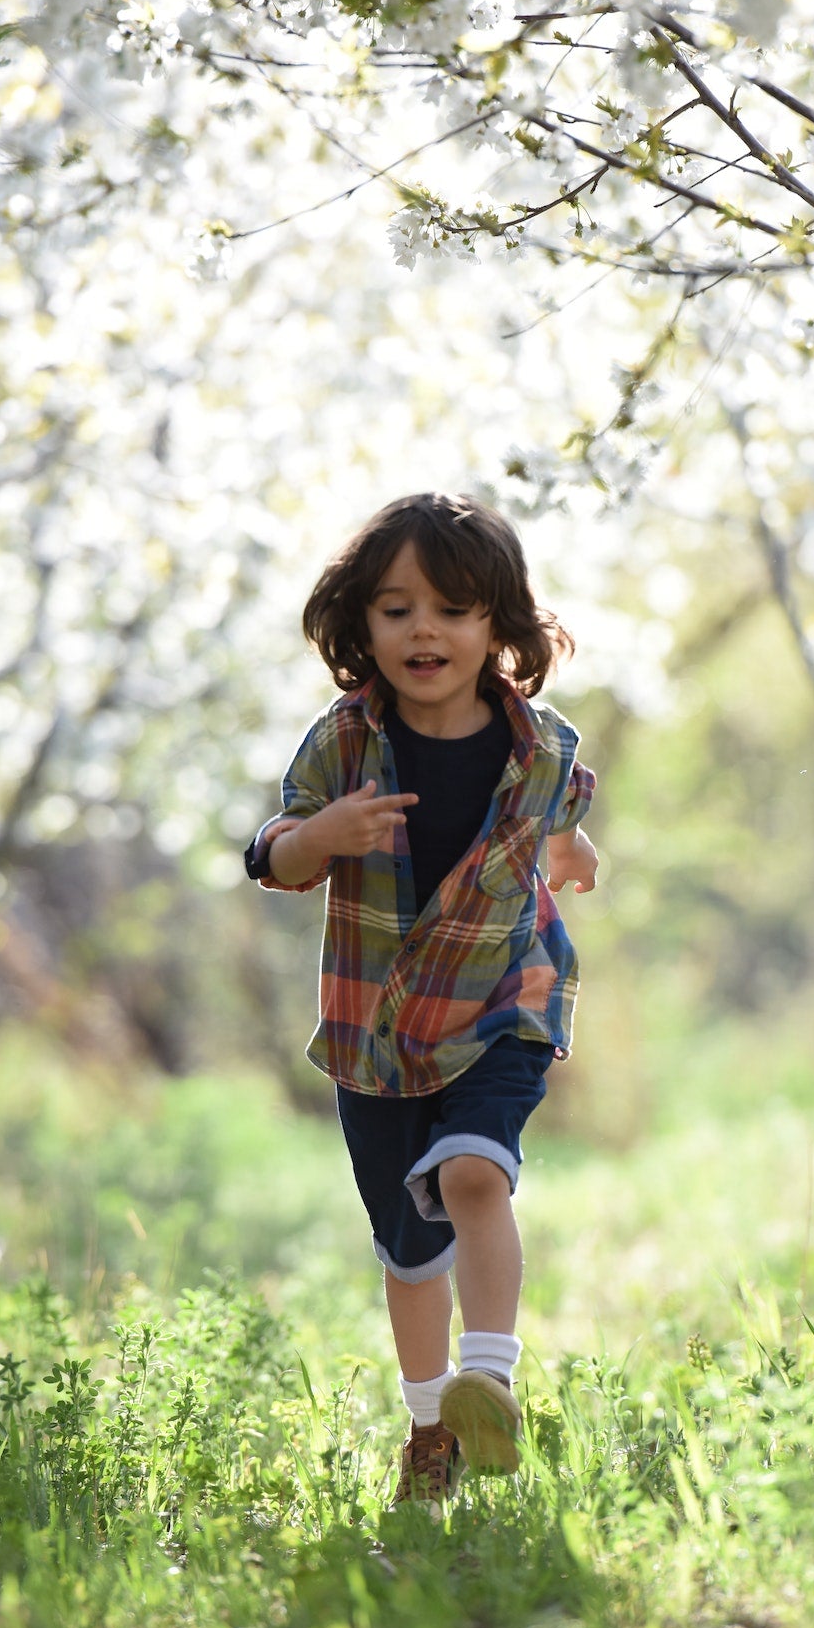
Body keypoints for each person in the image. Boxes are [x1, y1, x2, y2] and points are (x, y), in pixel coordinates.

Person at [244, 492, 598, 1508]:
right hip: (381, 1032)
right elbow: (271, 850)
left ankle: (489, 1376)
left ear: (499, 627)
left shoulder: (542, 745)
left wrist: (572, 851)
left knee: (477, 1176)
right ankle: (431, 1423)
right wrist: (320, 840)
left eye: (451, 608)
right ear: (361, 628)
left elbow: (564, 807)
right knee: (410, 1245)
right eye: (396, 610)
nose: (424, 631)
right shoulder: (344, 746)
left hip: (505, 998)